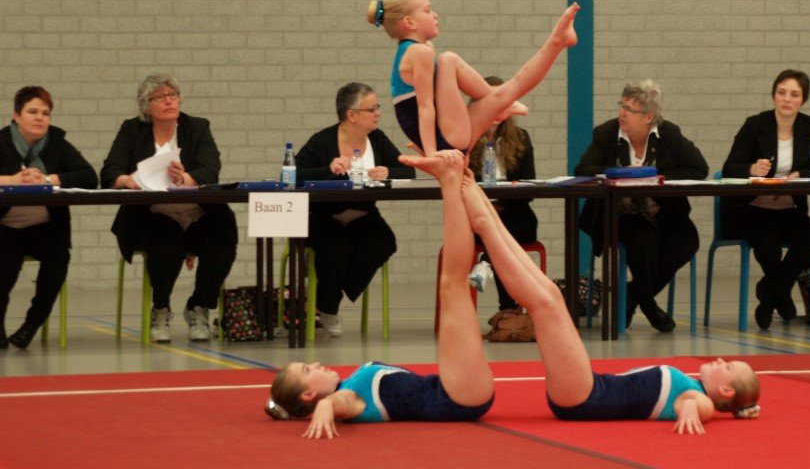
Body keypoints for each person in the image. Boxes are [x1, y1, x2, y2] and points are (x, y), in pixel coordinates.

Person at [449, 156, 759, 432]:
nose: (722, 360)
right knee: (549, 295)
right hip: (587, 388)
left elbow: (697, 406)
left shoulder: (697, 396)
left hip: (586, 396)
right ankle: (487, 216)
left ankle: (485, 224)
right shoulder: (691, 384)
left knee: (545, 302)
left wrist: (693, 411)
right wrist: (744, 408)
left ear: (726, 391)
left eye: (728, 367)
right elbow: (714, 401)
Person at [265, 151, 494, 437]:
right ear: (309, 395)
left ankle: (455, 183)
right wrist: (325, 407)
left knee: (454, 284)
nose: (315, 364)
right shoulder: (348, 398)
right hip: (455, 396)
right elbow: (338, 403)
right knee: (452, 285)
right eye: (307, 371)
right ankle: (451, 183)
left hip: (453, 389)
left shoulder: (349, 385)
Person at [100, 73, 238, 343]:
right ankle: (161, 309)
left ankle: (199, 306)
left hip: (197, 211)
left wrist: (185, 178)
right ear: (146, 106)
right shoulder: (132, 130)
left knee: (222, 242)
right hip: (154, 213)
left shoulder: (197, 127)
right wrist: (127, 180)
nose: (168, 101)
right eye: (160, 97)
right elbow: (109, 171)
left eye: (172, 95)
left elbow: (211, 169)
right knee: (165, 246)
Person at [367, 0, 578, 155]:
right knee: (450, 60)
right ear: (409, 22)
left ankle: (556, 43)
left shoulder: (422, 48)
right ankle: (501, 101)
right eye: (428, 10)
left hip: (445, 134)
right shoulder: (418, 52)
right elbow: (424, 107)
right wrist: (432, 154)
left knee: (506, 89)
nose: (435, 14)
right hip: (443, 140)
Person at [575, 81, 708, 332]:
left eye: (629, 109)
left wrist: (656, 177)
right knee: (642, 241)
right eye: (621, 105)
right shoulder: (606, 133)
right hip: (620, 214)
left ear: (648, 117)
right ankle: (648, 305)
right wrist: (621, 173)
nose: (622, 113)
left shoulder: (669, 134)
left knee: (687, 241)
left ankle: (632, 296)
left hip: (661, 213)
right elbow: (583, 169)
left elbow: (699, 168)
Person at [294, 82, 415, 336]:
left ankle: (329, 297)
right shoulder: (322, 141)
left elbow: (408, 171)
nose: (378, 113)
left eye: (377, 107)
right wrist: (328, 170)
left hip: (363, 215)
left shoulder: (377, 139)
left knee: (383, 242)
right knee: (335, 249)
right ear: (352, 115)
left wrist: (389, 172)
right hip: (325, 216)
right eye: (372, 109)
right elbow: (294, 174)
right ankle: (329, 309)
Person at [720, 69, 810, 330]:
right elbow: (729, 168)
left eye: (794, 94)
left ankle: (768, 294)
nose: (787, 99)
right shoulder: (755, 125)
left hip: (789, 208)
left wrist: (801, 174)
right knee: (767, 242)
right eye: (782, 93)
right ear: (773, 95)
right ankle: (781, 295)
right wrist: (751, 168)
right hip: (752, 208)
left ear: (803, 100)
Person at [0, 87, 97, 349]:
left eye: (45, 113)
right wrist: (13, 180)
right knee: (3, 270)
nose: (39, 118)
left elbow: (89, 176)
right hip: (5, 226)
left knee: (58, 262)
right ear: (17, 116)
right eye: (32, 112)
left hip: (45, 228)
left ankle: (31, 325)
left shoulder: (57, 143)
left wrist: (47, 179)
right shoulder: (3, 142)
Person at [466, 76, 539, 312]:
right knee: (493, 231)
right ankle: (508, 311)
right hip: (479, 215)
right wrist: (486, 206)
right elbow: (460, 184)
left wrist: (502, 202)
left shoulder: (521, 137)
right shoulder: (465, 137)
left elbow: (528, 184)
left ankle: (486, 264)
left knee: (504, 229)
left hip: (515, 214)